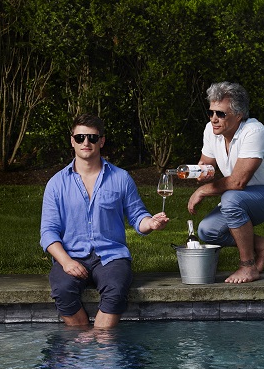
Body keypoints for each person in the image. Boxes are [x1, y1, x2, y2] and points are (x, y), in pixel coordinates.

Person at [40, 114, 169, 329]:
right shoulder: (56, 184)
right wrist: (66, 262)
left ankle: (98, 345)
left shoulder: (121, 178)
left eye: (92, 137)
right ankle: (81, 343)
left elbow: (138, 216)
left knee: (116, 289)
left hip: (111, 255)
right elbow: (48, 232)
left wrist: (151, 223)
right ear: (72, 141)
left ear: (102, 141)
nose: (86, 143)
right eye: (80, 137)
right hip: (71, 255)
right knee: (62, 290)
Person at [187, 82, 264, 284]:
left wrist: (203, 190)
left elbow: (237, 182)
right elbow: (207, 164)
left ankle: (248, 267)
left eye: (220, 114)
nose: (213, 119)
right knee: (207, 230)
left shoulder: (255, 132)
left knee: (231, 197)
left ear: (238, 115)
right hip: (243, 196)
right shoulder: (211, 131)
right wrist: (201, 172)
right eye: (210, 113)